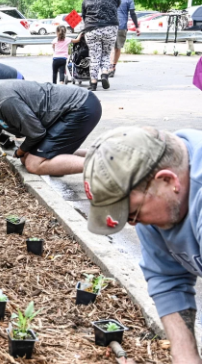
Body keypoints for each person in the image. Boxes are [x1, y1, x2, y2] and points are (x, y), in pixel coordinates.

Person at [83, 126, 202, 364]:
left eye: (134, 214)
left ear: (168, 180)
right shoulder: (161, 207)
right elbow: (168, 280)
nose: (135, 226)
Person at [0, 76, 102, 176]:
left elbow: (36, 133)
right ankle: (103, 155)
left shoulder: (3, 101)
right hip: (70, 110)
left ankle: (104, 166)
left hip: (80, 108)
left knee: (34, 163)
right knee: (27, 158)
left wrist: (20, 150)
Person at [81, 0, 121, 91]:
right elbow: (117, 4)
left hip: (92, 27)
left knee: (94, 55)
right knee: (106, 53)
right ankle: (104, 73)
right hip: (110, 26)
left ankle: (93, 83)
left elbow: (84, 13)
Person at [109, 0, 140, 77]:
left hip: (109, 25)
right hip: (121, 26)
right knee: (117, 47)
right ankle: (113, 67)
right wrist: (137, 27)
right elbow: (132, 13)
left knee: (110, 47)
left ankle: (109, 66)